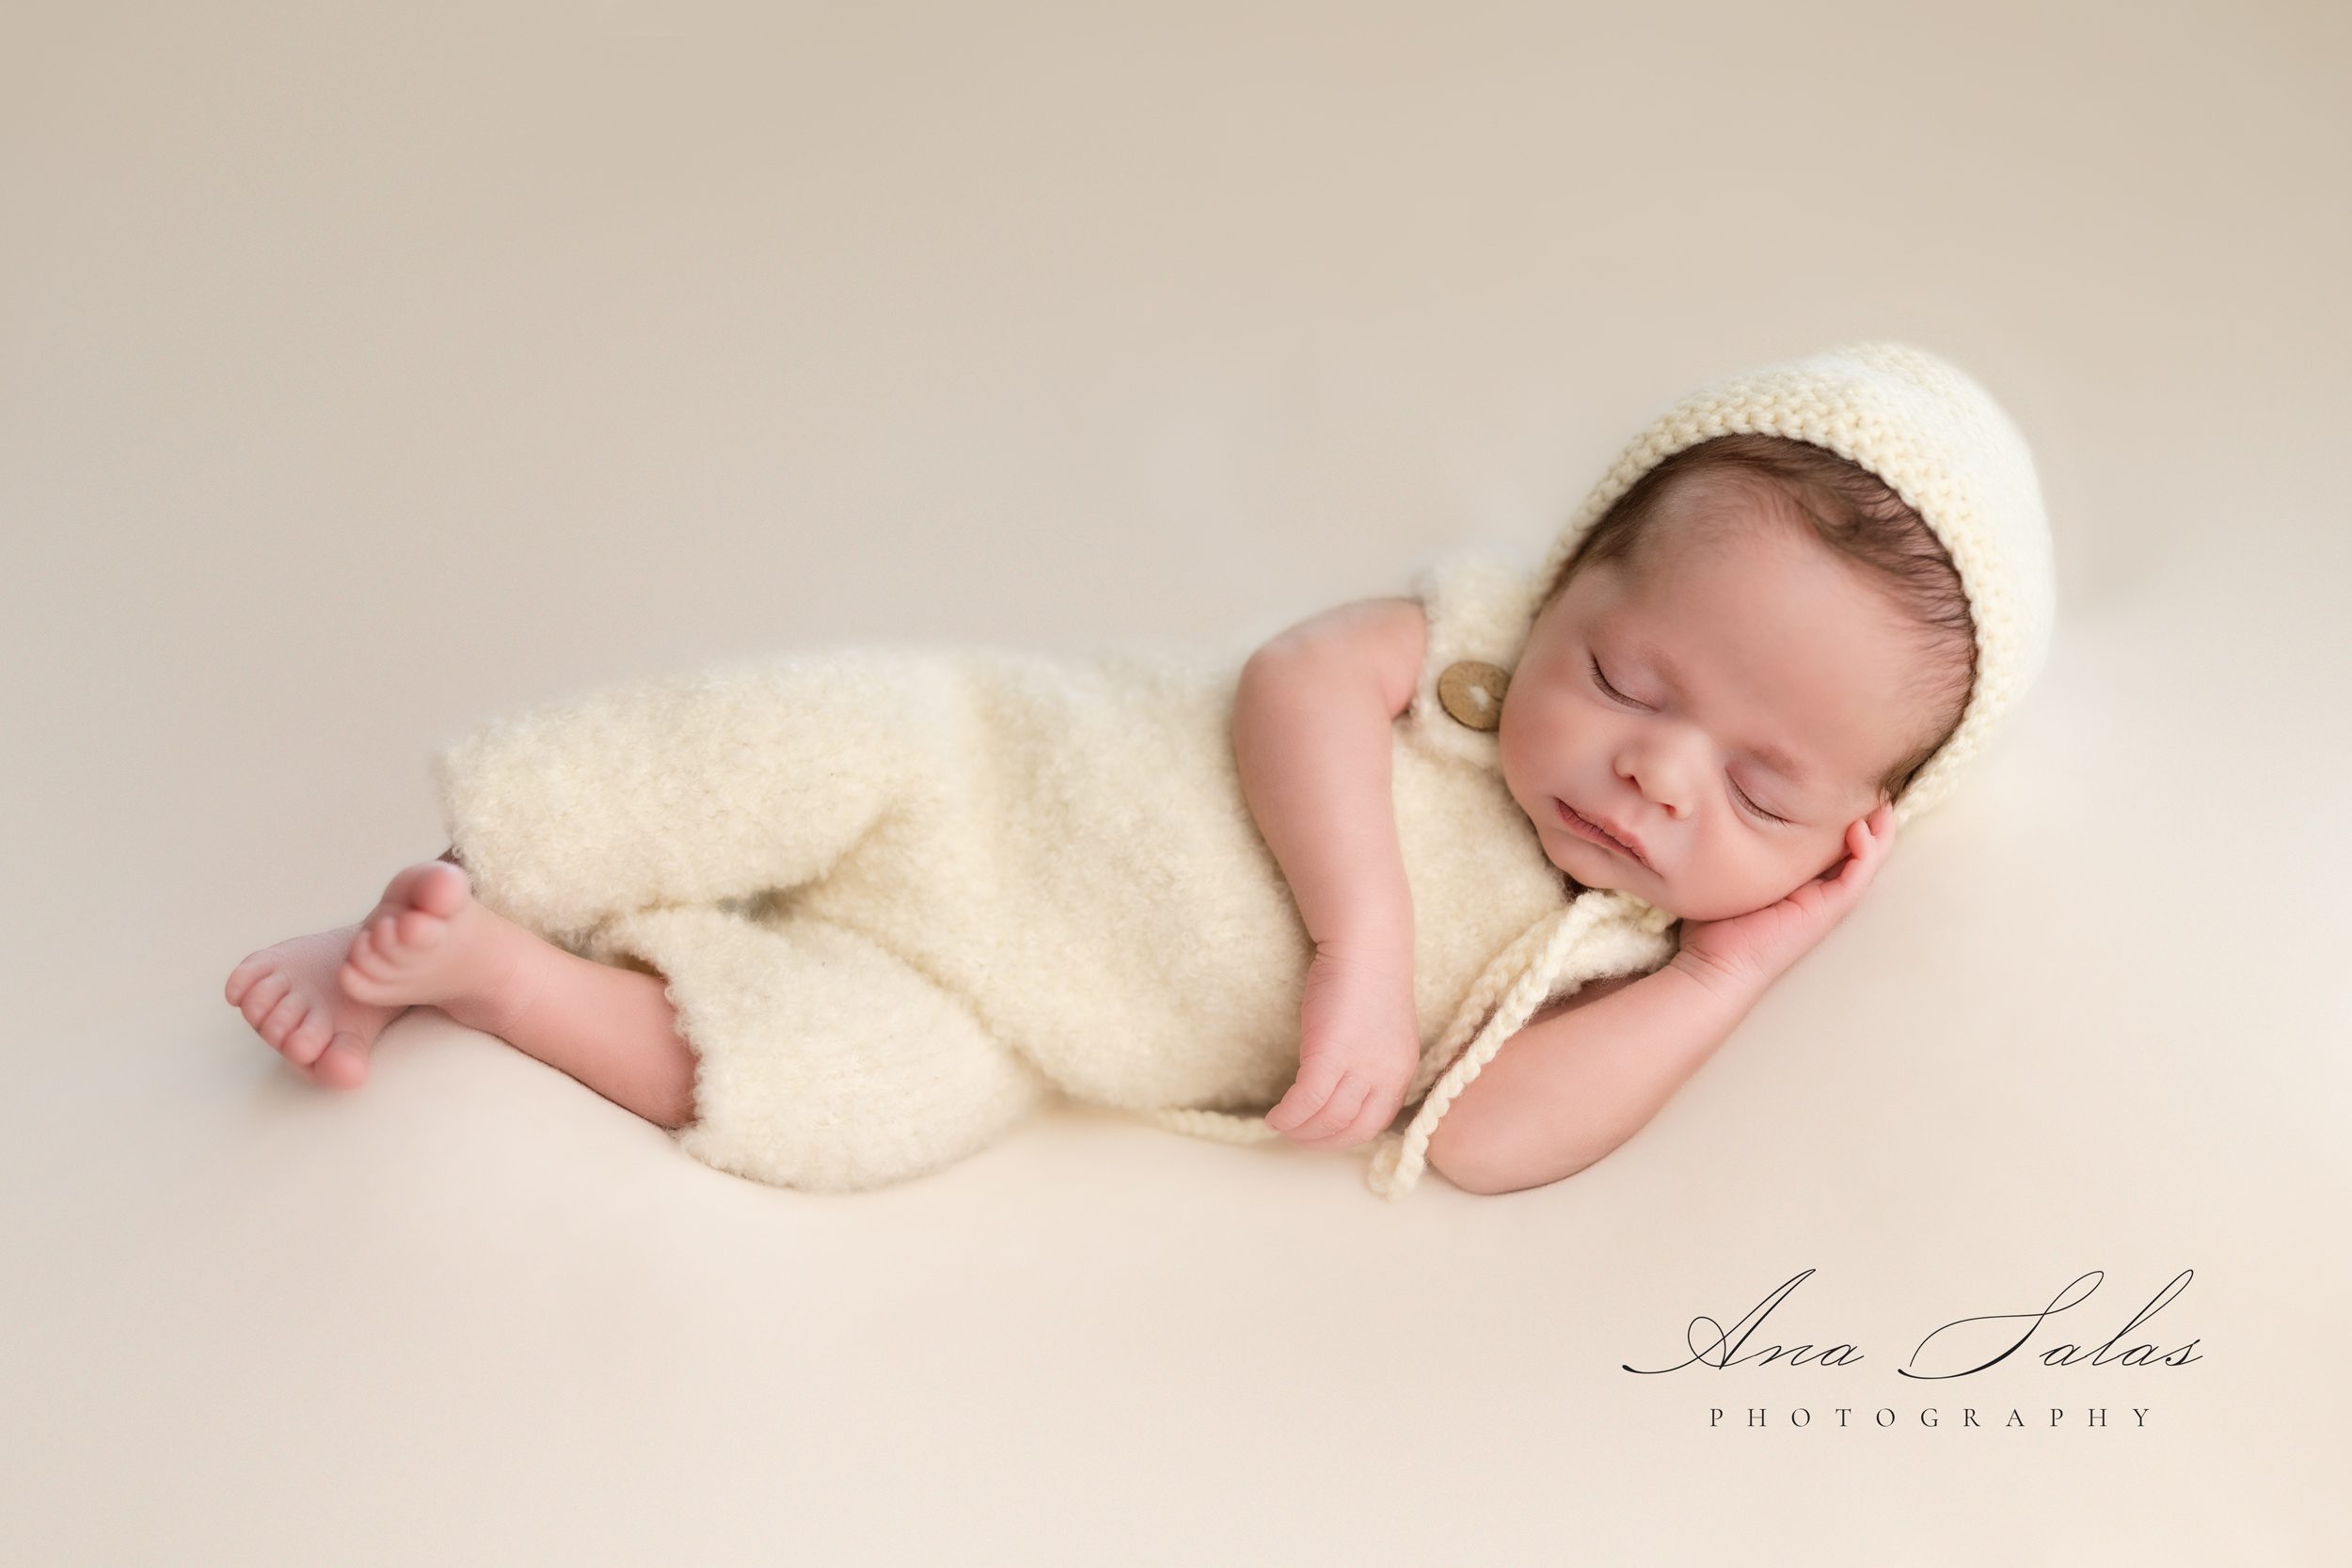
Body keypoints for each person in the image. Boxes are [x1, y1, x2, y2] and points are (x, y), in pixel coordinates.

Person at [224, 341, 2056, 1199]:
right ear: (1567, 581)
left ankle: (492, 976)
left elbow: (1488, 1142)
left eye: (1761, 795)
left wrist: (1729, 971)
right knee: (782, 745)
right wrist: (1360, 944)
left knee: (855, 1106)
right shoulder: (1477, 655)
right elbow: (1297, 682)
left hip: (1016, 1014)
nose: (1656, 778)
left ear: (1859, 832)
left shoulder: (1616, 950)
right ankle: (480, 863)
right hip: (993, 769)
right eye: (1629, 679)